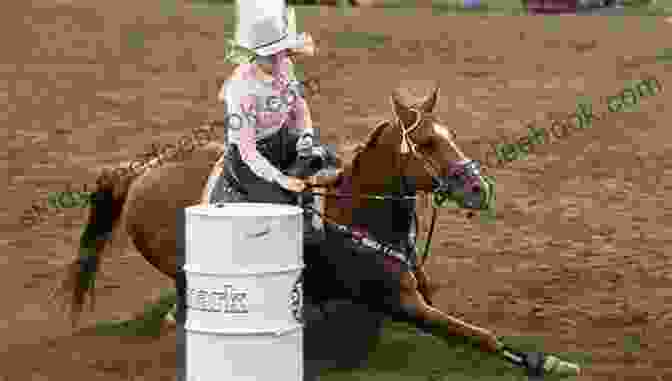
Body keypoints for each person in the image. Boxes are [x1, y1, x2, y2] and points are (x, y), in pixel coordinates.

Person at [204, 0, 332, 207]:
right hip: (247, 161)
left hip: (280, 140)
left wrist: (306, 135)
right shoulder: (241, 89)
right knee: (280, 203)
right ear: (254, 54)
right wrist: (282, 179)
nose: (277, 59)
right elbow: (248, 151)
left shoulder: (284, 66)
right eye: (269, 55)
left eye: (279, 52)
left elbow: (299, 108)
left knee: (327, 158)